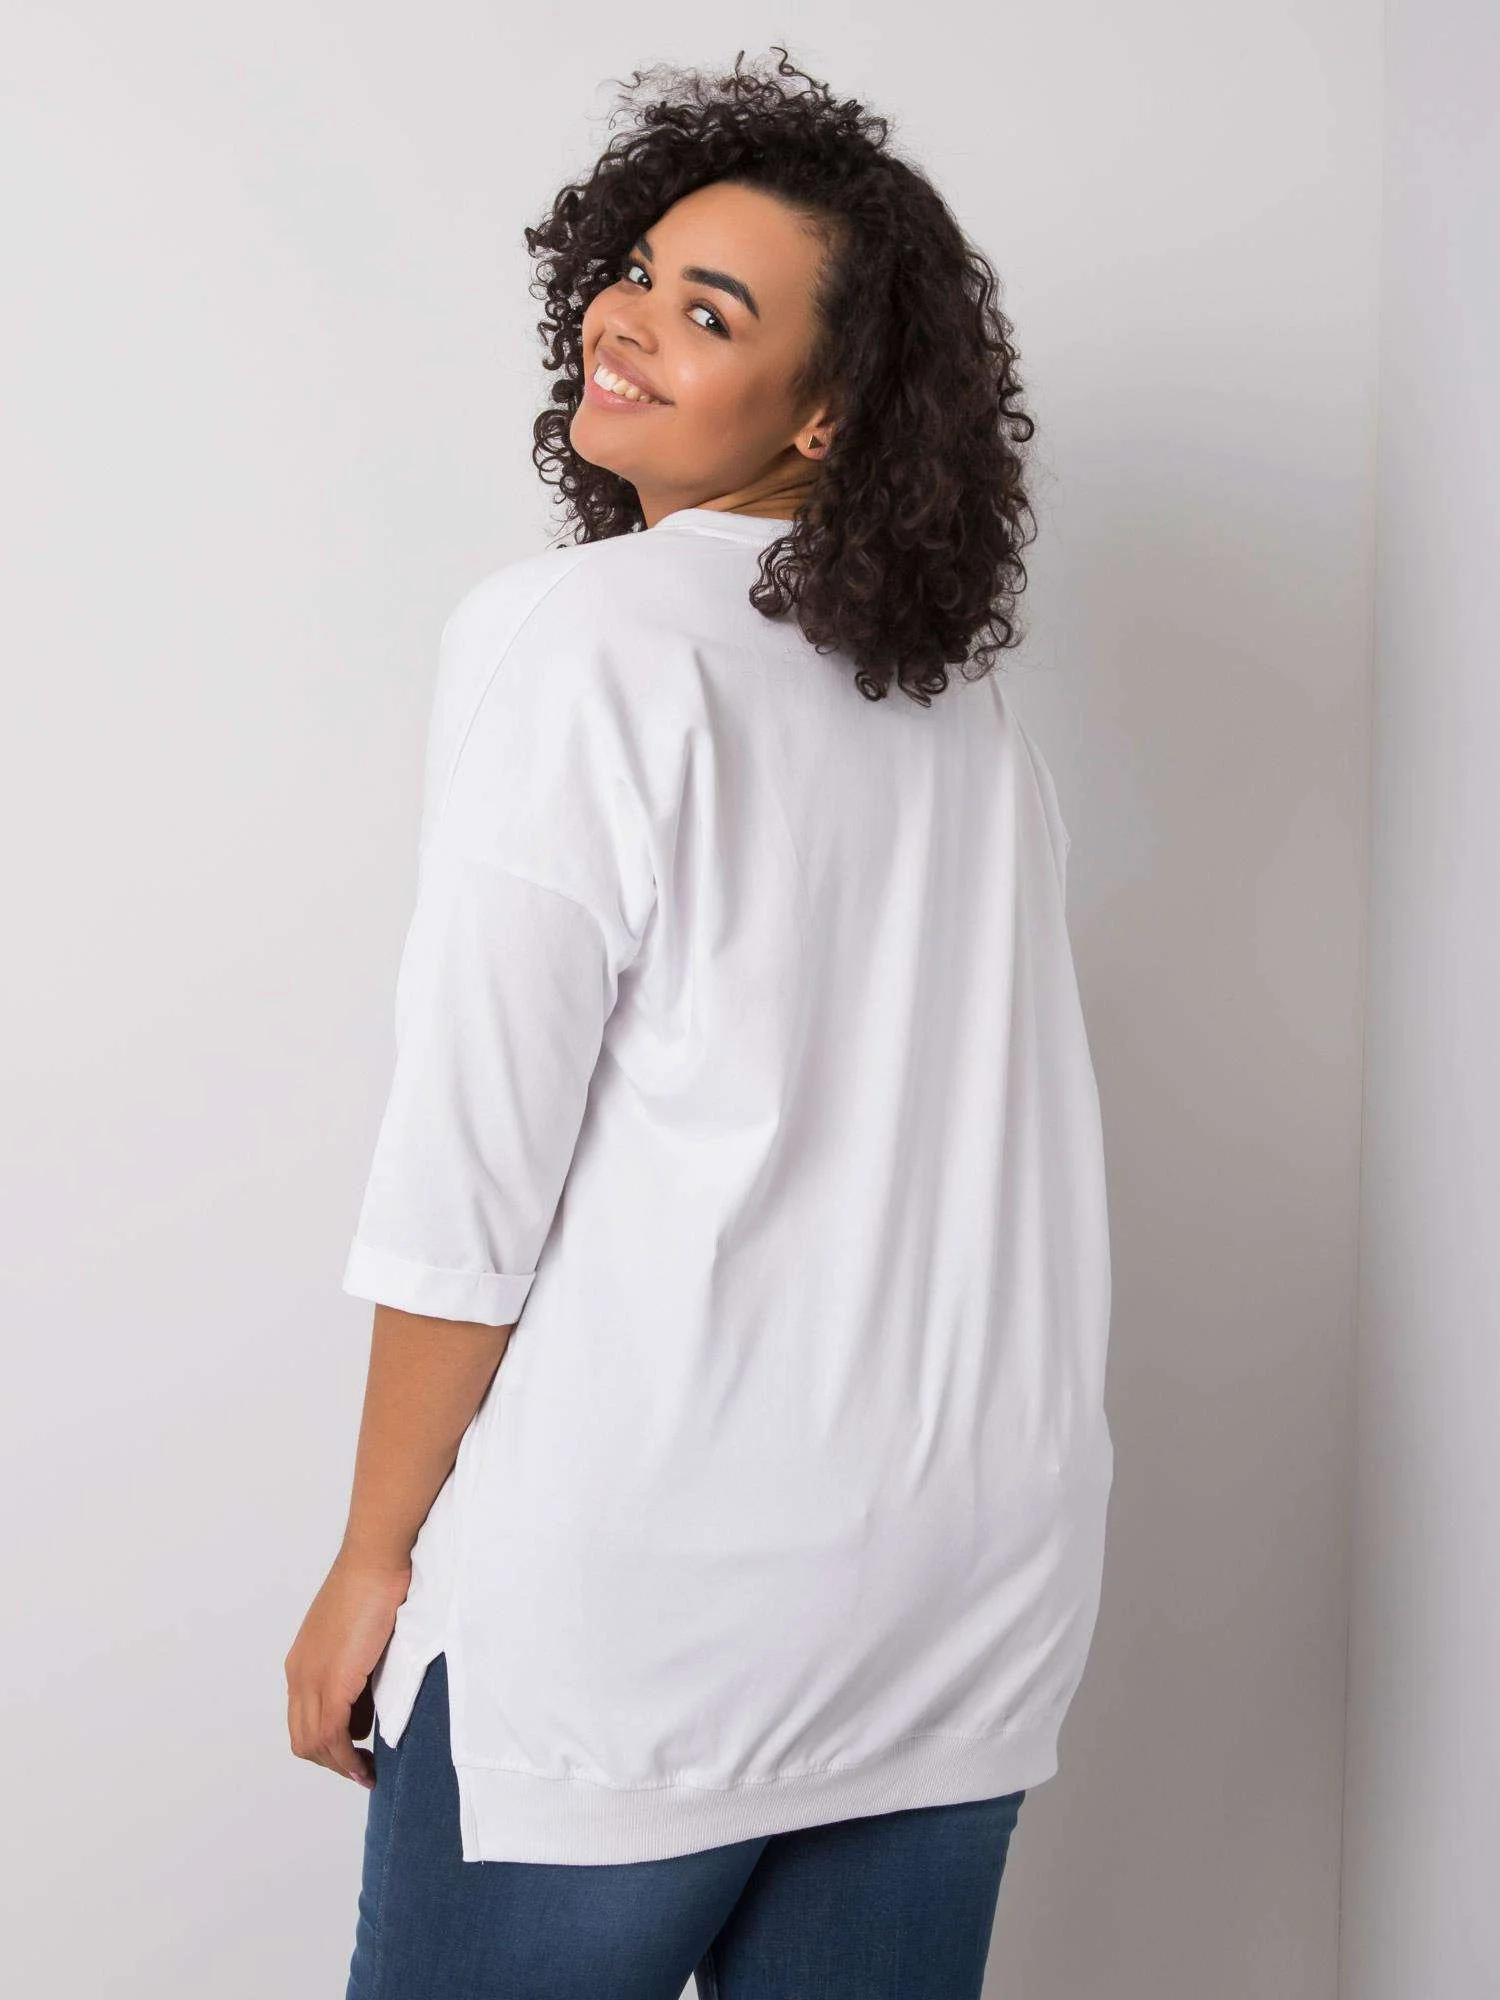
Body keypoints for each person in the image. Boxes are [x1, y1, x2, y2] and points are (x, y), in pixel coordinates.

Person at [286, 47, 1114, 2000]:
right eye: (638, 272)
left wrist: (373, 1555)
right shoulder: (958, 716)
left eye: (711, 310)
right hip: (965, 1575)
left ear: (826, 411)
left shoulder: (577, 636)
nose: (629, 318)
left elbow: (474, 1156)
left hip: (653, 1593)